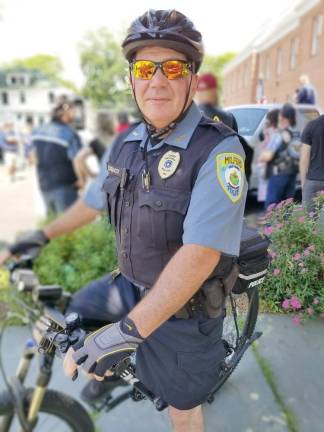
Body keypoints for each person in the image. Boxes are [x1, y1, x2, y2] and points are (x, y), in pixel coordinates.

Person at [1, 10, 247, 432]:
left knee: (181, 409)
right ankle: (110, 373)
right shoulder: (127, 142)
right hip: (131, 285)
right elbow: (94, 201)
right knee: (77, 310)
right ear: (132, 77)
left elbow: (201, 253)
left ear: (191, 77)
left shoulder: (219, 151)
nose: (157, 80)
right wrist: (41, 235)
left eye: (172, 67)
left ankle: (136, 365)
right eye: (144, 68)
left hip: (186, 309)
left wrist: (125, 333)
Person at [30, 96, 83, 215]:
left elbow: (33, 157)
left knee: (53, 226)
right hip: (65, 186)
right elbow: (77, 160)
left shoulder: (37, 131)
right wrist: (82, 179)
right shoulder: (69, 133)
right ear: (66, 112)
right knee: (68, 228)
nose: (75, 114)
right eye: (73, 110)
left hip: (44, 185)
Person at [260, 104, 301, 209]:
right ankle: (285, 226)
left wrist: (262, 156)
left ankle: (270, 226)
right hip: (292, 175)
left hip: (278, 174)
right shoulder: (297, 134)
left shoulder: (279, 134)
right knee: (287, 206)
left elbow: (267, 156)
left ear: (282, 116)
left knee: (272, 206)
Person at [73, 111, 115, 187]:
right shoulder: (119, 139)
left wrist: (90, 176)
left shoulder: (96, 142)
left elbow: (78, 159)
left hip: (106, 183)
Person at [299, 114, 324, 212]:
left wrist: (303, 184)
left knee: (309, 222)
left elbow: (304, 159)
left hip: (313, 180)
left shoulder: (311, 125)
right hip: (314, 180)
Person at [256, 109, 280, 203]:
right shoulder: (273, 132)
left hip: (268, 164)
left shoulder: (272, 132)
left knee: (270, 195)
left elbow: (268, 148)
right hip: (270, 165)